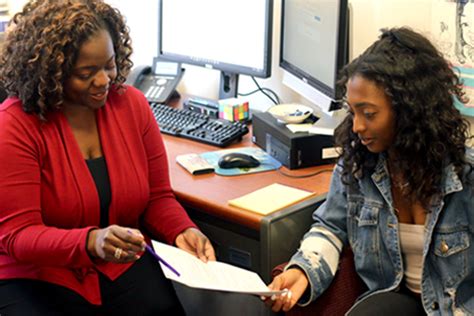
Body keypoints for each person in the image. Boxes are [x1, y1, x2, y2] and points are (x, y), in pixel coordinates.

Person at [0, 0, 216, 315]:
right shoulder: (15, 125)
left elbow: (157, 197)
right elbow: (18, 234)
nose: (103, 81)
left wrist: (183, 230)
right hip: (38, 272)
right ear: (50, 70)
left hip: (116, 263)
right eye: (86, 72)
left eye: (109, 65)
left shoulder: (132, 106)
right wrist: (91, 241)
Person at [267, 27, 474, 315]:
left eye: (370, 113)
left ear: (410, 110)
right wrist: (303, 270)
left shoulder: (466, 179)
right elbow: (331, 226)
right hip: (393, 302)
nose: (357, 127)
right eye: (353, 112)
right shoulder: (359, 166)